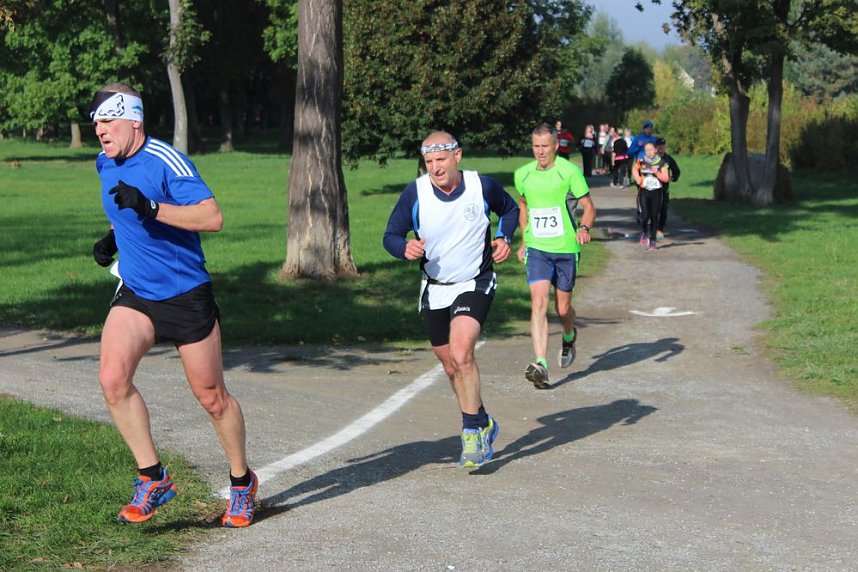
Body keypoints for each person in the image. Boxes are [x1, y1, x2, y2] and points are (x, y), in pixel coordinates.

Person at [89, 83, 257, 527]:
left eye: (107, 121)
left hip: (185, 293)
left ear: (134, 120)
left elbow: (211, 217)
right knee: (112, 379)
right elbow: (118, 209)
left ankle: (242, 483)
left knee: (211, 396)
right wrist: (112, 237)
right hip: (138, 291)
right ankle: (153, 478)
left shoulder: (167, 160)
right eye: (96, 124)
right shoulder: (105, 162)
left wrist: (148, 206)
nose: (100, 131)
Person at [383, 131, 519, 468]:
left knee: (462, 353)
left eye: (440, 160)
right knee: (449, 364)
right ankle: (483, 418)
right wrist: (405, 248)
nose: (435, 168)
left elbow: (511, 209)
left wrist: (503, 237)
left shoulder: (481, 186)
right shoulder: (415, 193)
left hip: (475, 280)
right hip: (435, 287)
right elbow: (390, 236)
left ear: (457, 155)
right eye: (429, 162)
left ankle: (472, 433)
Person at [515, 123, 596, 389]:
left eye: (545, 146)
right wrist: (525, 241)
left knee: (562, 309)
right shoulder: (523, 175)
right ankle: (541, 364)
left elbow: (588, 207)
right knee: (538, 303)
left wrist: (584, 228)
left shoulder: (569, 172)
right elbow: (524, 207)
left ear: (555, 145)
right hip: (538, 249)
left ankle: (570, 336)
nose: (540, 152)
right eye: (535, 146)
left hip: (565, 250)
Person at [632, 141, 670, 251]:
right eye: (646, 150)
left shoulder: (662, 162)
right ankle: (644, 232)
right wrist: (638, 179)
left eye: (651, 149)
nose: (649, 152)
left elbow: (666, 178)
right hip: (644, 191)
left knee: (654, 216)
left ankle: (652, 241)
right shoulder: (641, 161)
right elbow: (634, 169)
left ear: (655, 150)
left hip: (657, 192)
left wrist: (656, 173)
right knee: (645, 216)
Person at [655, 137, 681, 240]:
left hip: (664, 188)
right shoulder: (651, 158)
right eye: (659, 146)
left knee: (663, 209)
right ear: (656, 147)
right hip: (651, 188)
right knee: (652, 210)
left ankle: (660, 229)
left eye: (663, 145)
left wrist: (672, 178)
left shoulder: (669, 159)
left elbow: (677, 171)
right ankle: (652, 228)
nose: (661, 148)